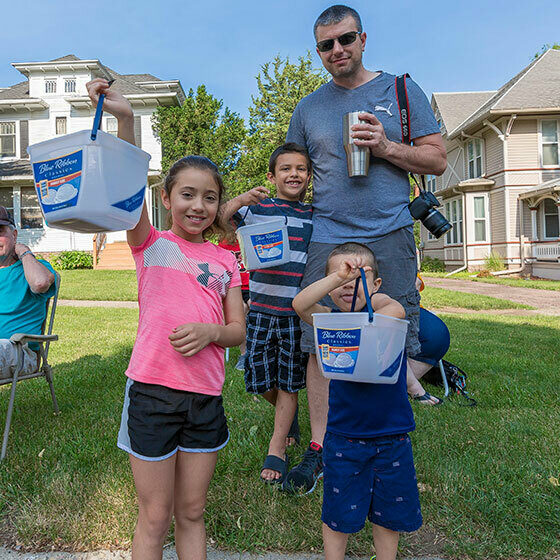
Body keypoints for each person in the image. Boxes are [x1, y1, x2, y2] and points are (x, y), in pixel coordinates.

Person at [284, 4, 447, 492]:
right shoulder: (308, 108)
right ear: (319, 51)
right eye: (326, 45)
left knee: (391, 333)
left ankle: (386, 442)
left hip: (390, 229)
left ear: (363, 39)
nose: (337, 50)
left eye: (345, 39)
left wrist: (386, 147)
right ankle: (321, 446)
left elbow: (437, 160)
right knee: (321, 340)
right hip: (329, 231)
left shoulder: (400, 90)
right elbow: (295, 170)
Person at [86, 78, 245, 560]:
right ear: (168, 198)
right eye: (187, 195)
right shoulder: (150, 244)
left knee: (192, 512)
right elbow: (129, 192)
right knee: (154, 515)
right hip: (152, 394)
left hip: (204, 399)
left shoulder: (226, 261)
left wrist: (211, 332)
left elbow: (237, 331)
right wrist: (126, 120)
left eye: (210, 197)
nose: (198, 206)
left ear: (219, 204)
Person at [292, 242, 421, 560]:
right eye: (340, 281)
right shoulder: (329, 322)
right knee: (338, 512)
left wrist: (365, 301)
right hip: (344, 436)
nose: (349, 283)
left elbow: (396, 310)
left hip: (391, 435)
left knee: (389, 514)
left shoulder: (380, 309)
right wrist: (337, 277)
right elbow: (300, 304)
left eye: (359, 276)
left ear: (376, 284)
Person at [220, 143, 313, 483]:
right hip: (258, 310)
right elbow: (217, 220)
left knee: (289, 382)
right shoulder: (257, 210)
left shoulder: (312, 215)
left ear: (308, 176)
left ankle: (277, 448)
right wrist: (242, 199)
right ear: (272, 176)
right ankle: (289, 416)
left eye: (301, 169)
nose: (294, 174)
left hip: (293, 314)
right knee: (258, 381)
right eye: (286, 169)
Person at [0, 206, 56, 378]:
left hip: (20, 352)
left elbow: (40, 283)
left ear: (14, 235)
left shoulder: (33, 268)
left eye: (0, 231)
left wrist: (24, 252)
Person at [407, 276, 451, 405]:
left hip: (404, 302)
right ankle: (410, 387)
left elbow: (416, 281)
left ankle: (393, 389)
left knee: (435, 334)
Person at [217, 234, 250, 371]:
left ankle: (258, 350)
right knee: (241, 309)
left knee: (255, 306)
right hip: (233, 287)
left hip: (250, 286)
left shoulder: (249, 238)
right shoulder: (222, 244)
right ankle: (244, 354)